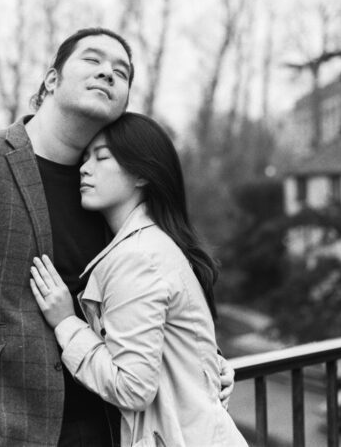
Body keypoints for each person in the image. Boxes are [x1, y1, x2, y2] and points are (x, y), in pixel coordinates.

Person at [0, 27, 235, 447]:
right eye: (93, 59)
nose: (108, 73)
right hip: (4, 431)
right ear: (51, 79)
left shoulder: (110, 187)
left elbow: (149, 294)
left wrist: (205, 362)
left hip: (115, 429)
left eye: (121, 72)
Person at [30, 113, 248, 447]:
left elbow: (132, 388)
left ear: (142, 174)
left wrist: (66, 323)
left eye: (102, 157)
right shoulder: (157, 243)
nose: (84, 168)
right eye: (85, 158)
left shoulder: (137, 257)